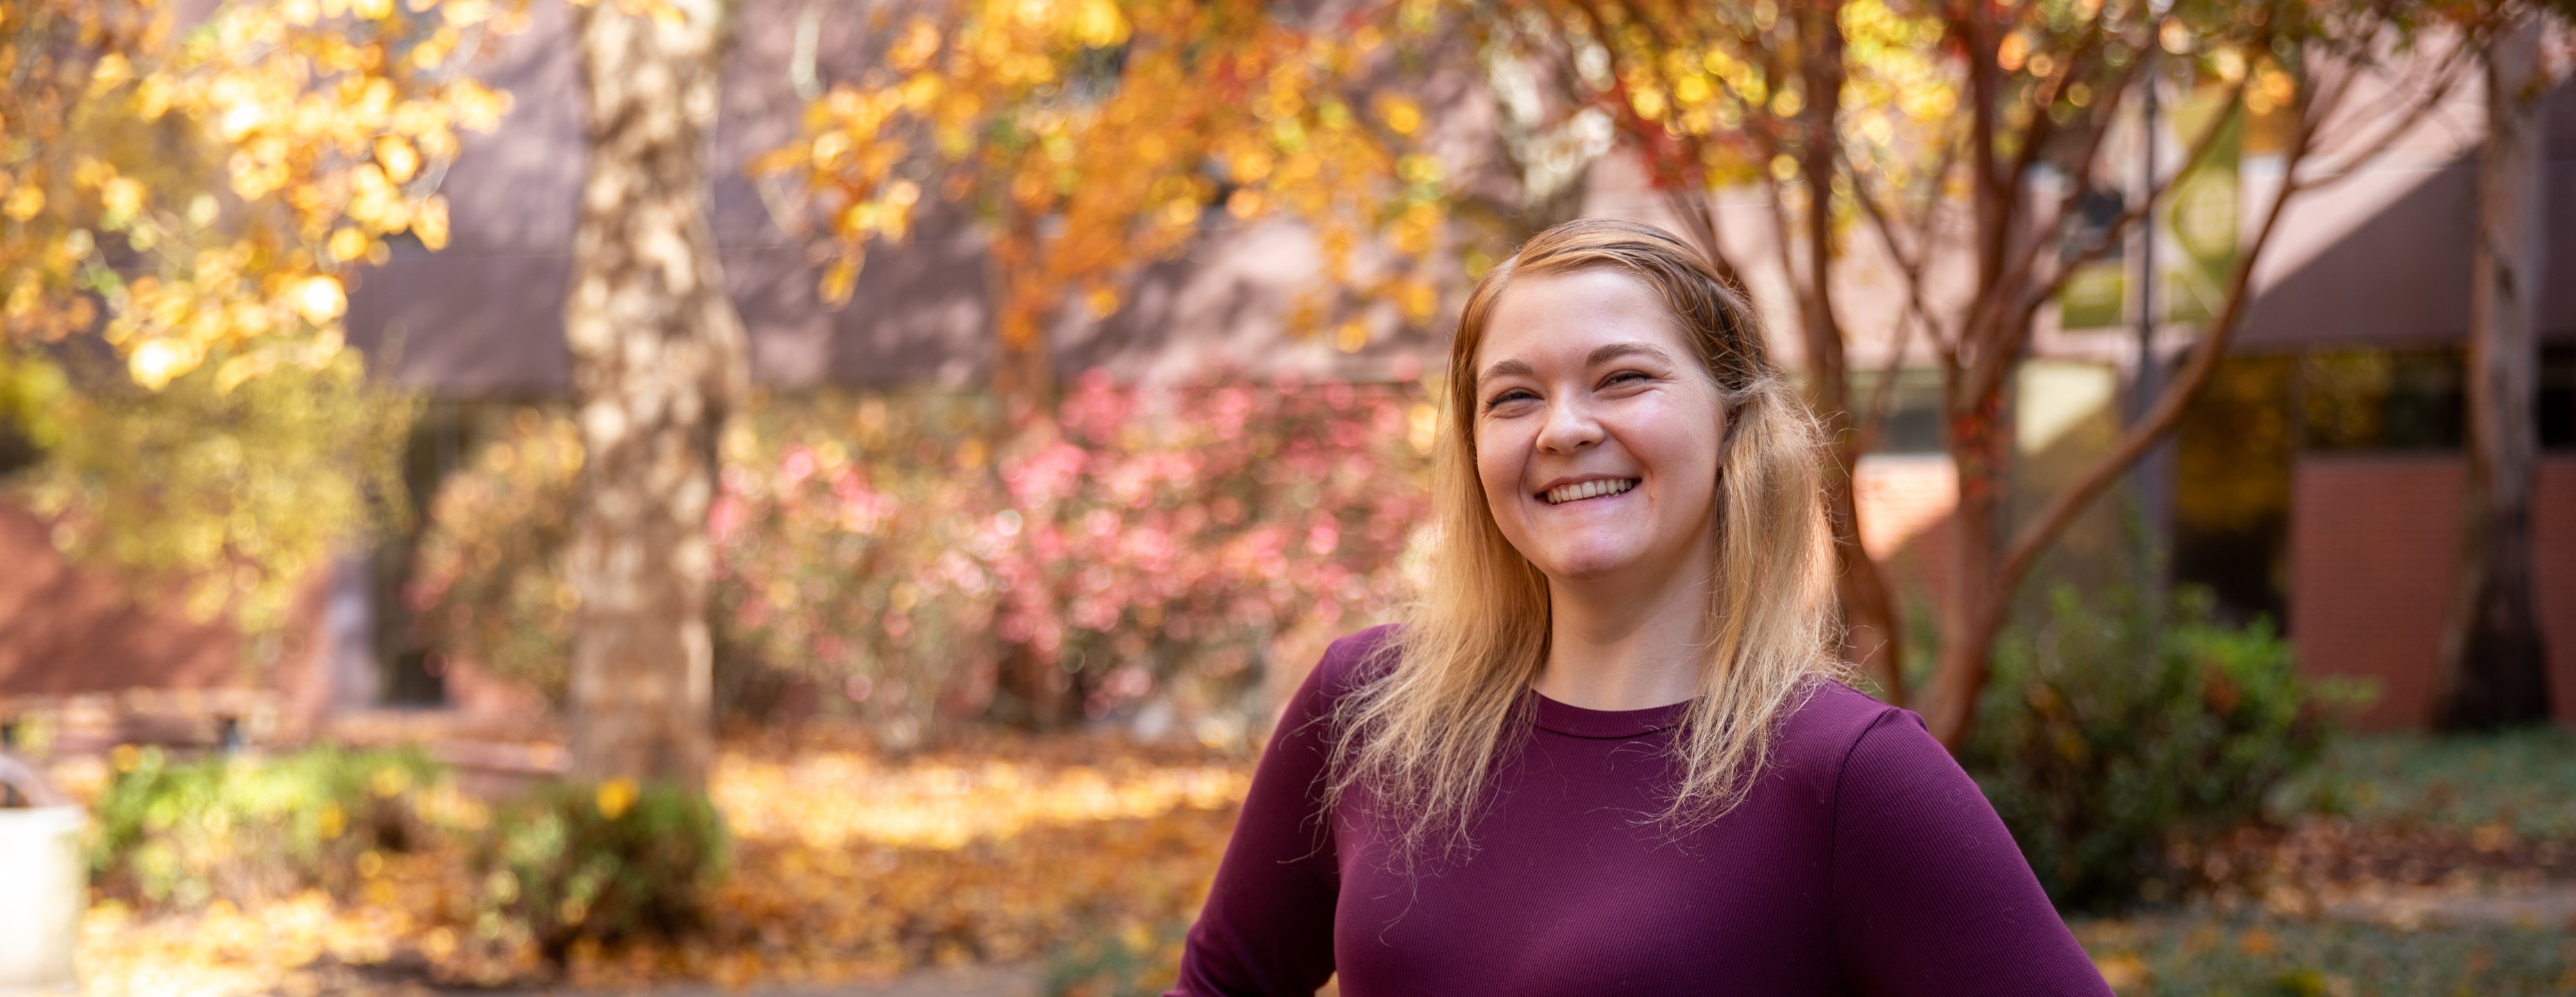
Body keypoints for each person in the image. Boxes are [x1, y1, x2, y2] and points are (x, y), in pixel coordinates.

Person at [1165, 219, 2112, 996]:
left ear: (1732, 425)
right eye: (1514, 397)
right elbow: (1221, 983)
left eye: (1623, 378)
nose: (1565, 429)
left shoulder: (1848, 777)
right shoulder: (1369, 704)